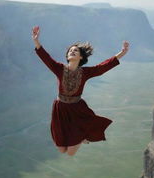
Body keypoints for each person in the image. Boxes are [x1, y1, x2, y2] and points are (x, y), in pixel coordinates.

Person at [32, 26, 129, 156]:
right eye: (70, 51)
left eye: (76, 51)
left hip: (77, 109)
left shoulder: (85, 72)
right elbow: (46, 57)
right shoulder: (59, 68)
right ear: (67, 56)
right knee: (62, 150)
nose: (72, 52)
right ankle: (80, 136)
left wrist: (122, 53)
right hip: (60, 109)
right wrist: (36, 41)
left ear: (81, 57)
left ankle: (82, 136)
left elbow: (102, 67)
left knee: (70, 153)